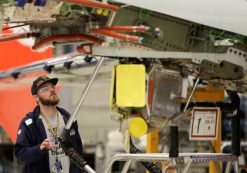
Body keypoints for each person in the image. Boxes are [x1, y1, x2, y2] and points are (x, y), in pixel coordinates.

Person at [15, 76, 84, 173]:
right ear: (36, 97)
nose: (51, 90)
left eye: (52, 87)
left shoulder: (69, 119)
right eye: (45, 89)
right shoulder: (29, 123)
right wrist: (39, 148)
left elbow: (78, 151)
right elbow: (20, 155)